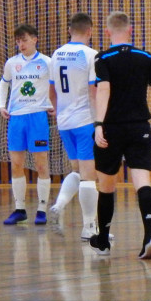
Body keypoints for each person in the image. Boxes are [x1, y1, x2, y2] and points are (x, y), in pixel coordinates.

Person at [90, 11, 151, 260]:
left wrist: (98, 124)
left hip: (112, 128)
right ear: (131, 30)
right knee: (142, 182)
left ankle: (103, 241)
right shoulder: (145, 57)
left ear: (107, 32)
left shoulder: (103, 58)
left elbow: (103, 90)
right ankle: (150, 236)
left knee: (106, 186)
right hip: (139, 128)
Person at [47, 13, 100, 240]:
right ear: (89, 31)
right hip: (84, 120)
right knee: (89, 176)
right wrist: (99, 122)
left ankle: (59, 205)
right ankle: (89, 228)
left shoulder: (56, 54)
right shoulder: (90, 55)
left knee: (77, 171)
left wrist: (59, 111)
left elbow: (51, 90)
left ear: (70, 30)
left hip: (64, 121)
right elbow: (93, 91)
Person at [0, 23, 53, 226]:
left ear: (35, 39)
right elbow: (4, 83)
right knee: (17, 164)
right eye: (18, 41)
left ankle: (41, 209)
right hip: (17, 118)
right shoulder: (12, 63)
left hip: (37, 118)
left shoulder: (47, 62)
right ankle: (20, 209)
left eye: (24, 40)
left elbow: (55, 86)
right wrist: (2, 105)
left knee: (41, 164)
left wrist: (54, 104)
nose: (20, 44)